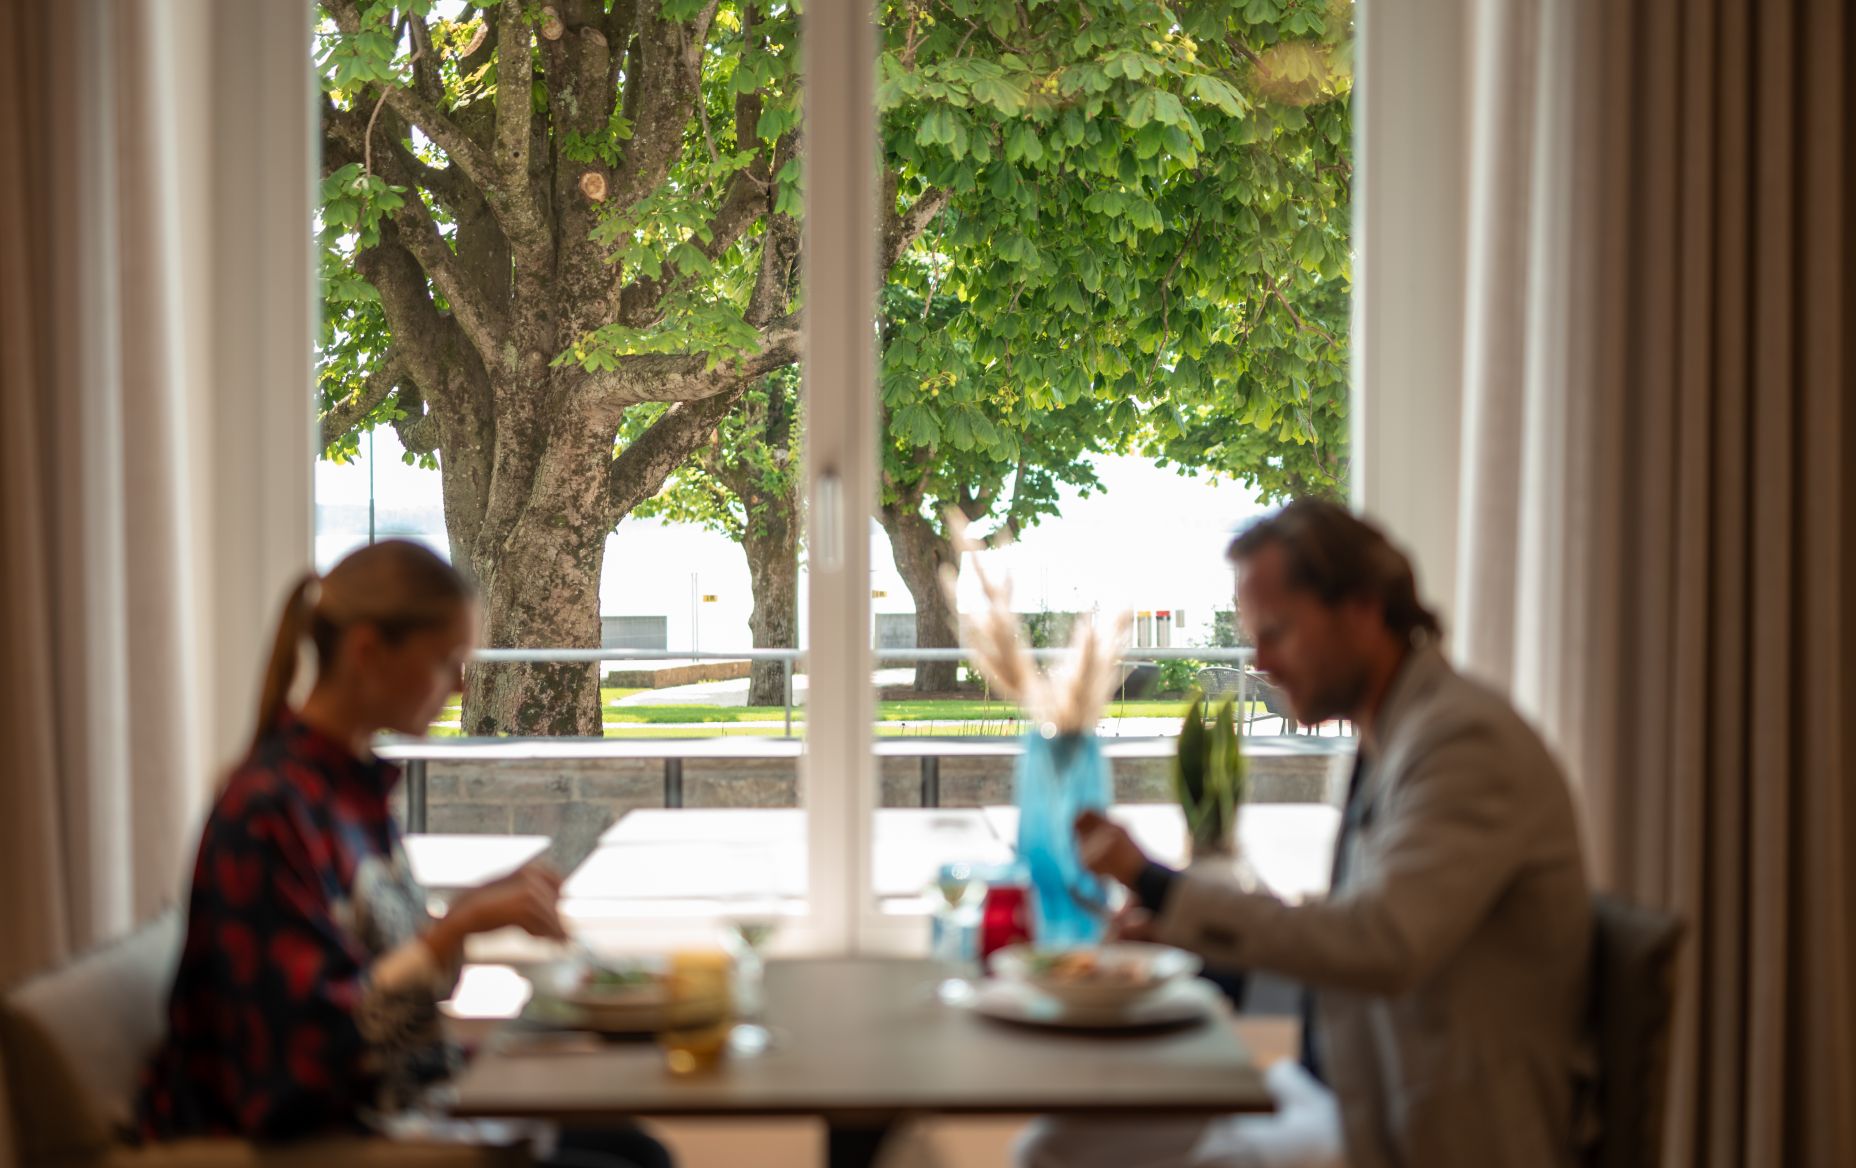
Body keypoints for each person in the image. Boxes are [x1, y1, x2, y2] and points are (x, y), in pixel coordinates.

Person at [1018, 500, 1592, 1168]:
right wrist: (1196, 947)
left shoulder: (1463, 742)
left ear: (1363, 609)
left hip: (1417, 1125)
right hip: (1339, 1082)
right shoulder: (1394, 734)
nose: (1260, 661)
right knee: (1055, 1146)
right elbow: (1349, 941)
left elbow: (1380, 944)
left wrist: (1156, 884)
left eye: (1277, 632)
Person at [137, 540, 670, 1168]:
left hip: (388, 1103)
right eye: (447, 661)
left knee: (637, 1149)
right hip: (324, 1137)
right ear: (367, 652)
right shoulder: (269, 812)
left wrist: (467, 912)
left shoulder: (348, 791)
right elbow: (309, 1058)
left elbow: (392, 981)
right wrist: (453, 932)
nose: (463, 684)